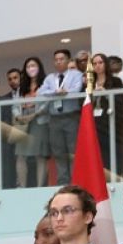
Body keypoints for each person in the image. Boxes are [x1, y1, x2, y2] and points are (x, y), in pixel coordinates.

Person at [39, 49, 85, 184]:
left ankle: (75, 179)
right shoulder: (49, 78)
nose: (58, 62)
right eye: (56, 60)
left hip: (71, 116)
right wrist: (55, 92)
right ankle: (63, 180)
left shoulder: (76, 74)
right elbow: (41, 92)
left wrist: (65, 92)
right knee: (58, 151)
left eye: (62, 59)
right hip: (54, 118)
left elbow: (76, 89)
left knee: (73, 150)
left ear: (68, 60)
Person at [16, 57, 50, 187]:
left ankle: (40, 186)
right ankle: (22, 187)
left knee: (40, 155)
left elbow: (47, 102)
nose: (31, 68)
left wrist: (35, 114)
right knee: (21, 155)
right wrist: (18, 116)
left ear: (39, 67)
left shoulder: (45, 84)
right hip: (23, 122)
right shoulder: (22, 87)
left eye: (33, 65)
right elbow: (15, 104)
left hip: (39, 121)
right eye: (28, 66)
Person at [91, 53, 123, 177]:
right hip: (95, 123)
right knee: (96, 153)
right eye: (94, 63)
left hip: (111, 122)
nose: (97, 66)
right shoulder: (90, 82)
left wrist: (106, 94)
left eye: (100, 62)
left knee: (112, 152)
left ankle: (115, 177)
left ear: (105, 64)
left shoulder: (115, 81)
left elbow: (121, 101)